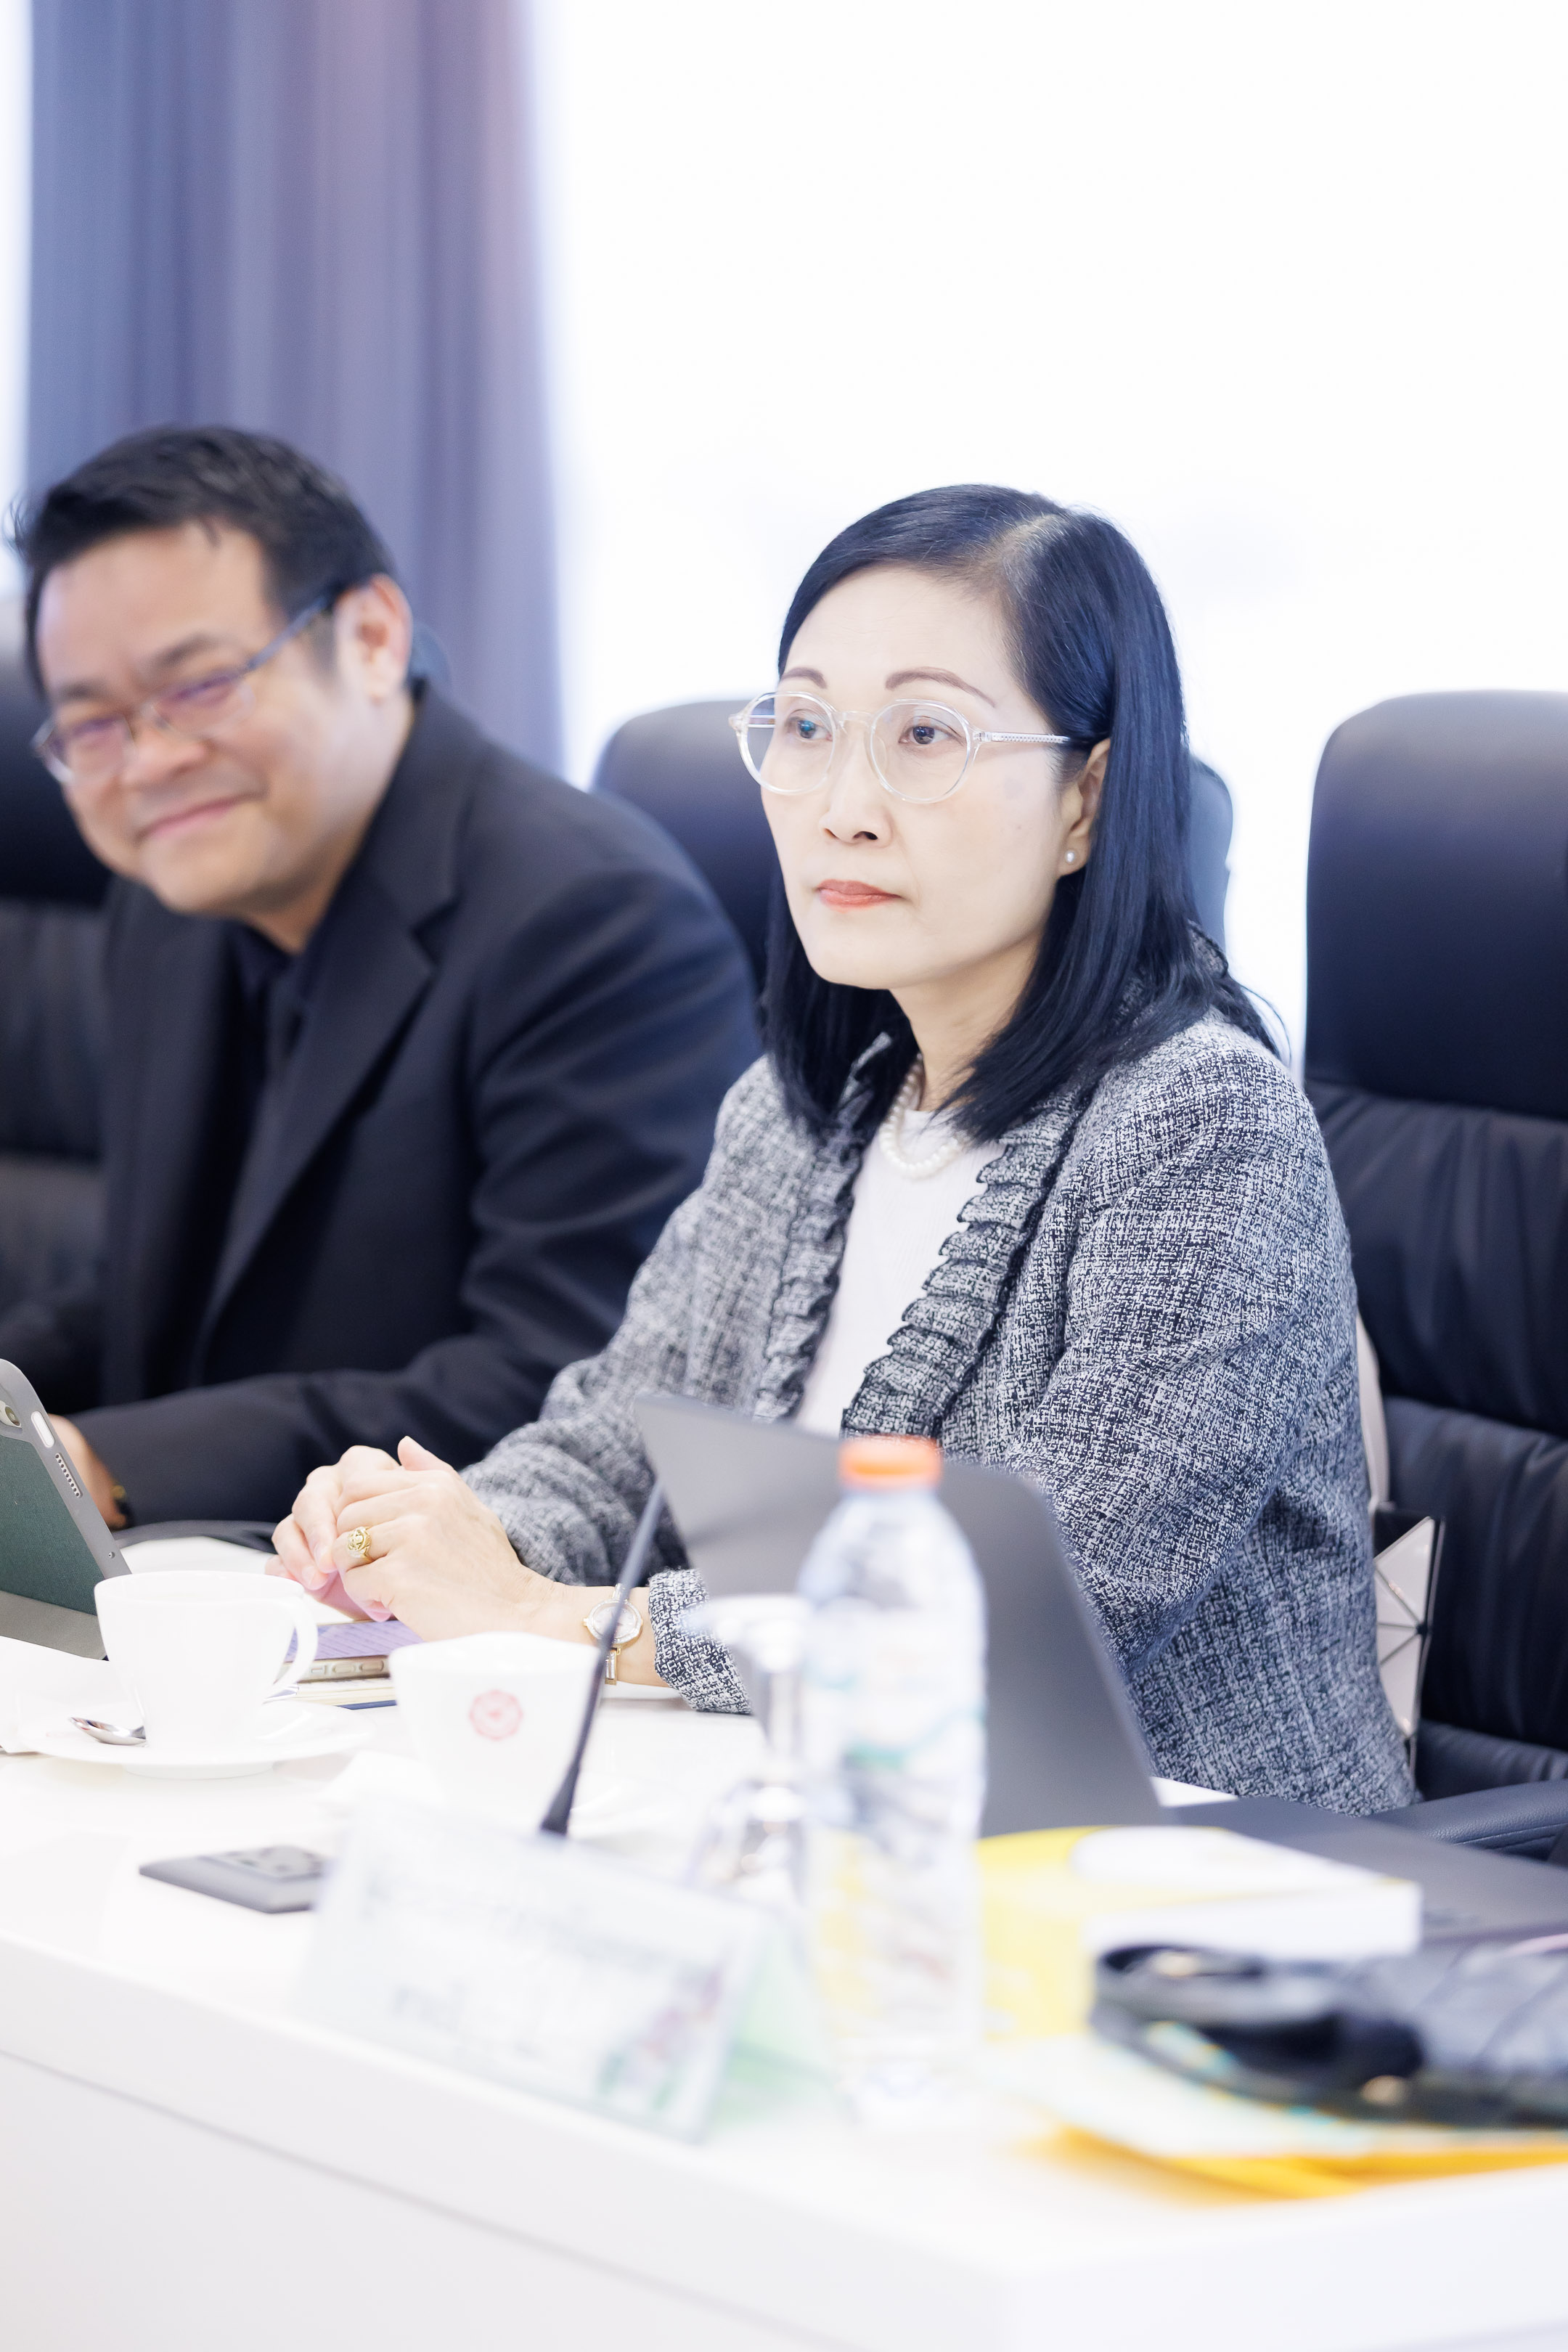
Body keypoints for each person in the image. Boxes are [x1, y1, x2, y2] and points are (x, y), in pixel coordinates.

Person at [273, 483, 1412, 1812]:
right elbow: (611, 1452)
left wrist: (552, 1617)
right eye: (807, 728)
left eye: (926, 735)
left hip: (1190, 1872)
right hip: (823, 1819)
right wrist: (427, 1540)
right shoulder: (797, 1114)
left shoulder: (1203, 1128)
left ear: (1087, 801)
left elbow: (1033, 1620)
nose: (842, 806)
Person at [0, 426, 756, 1528]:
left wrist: (101, 1462)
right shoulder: (171, 900)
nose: (150, 762)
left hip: (440, 1592)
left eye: (201, 686)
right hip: (221, 1567)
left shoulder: (595, 919)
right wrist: (16, 1414)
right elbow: (150, 1289)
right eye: (91, 725)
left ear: (370, 637)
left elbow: (563, 1382)